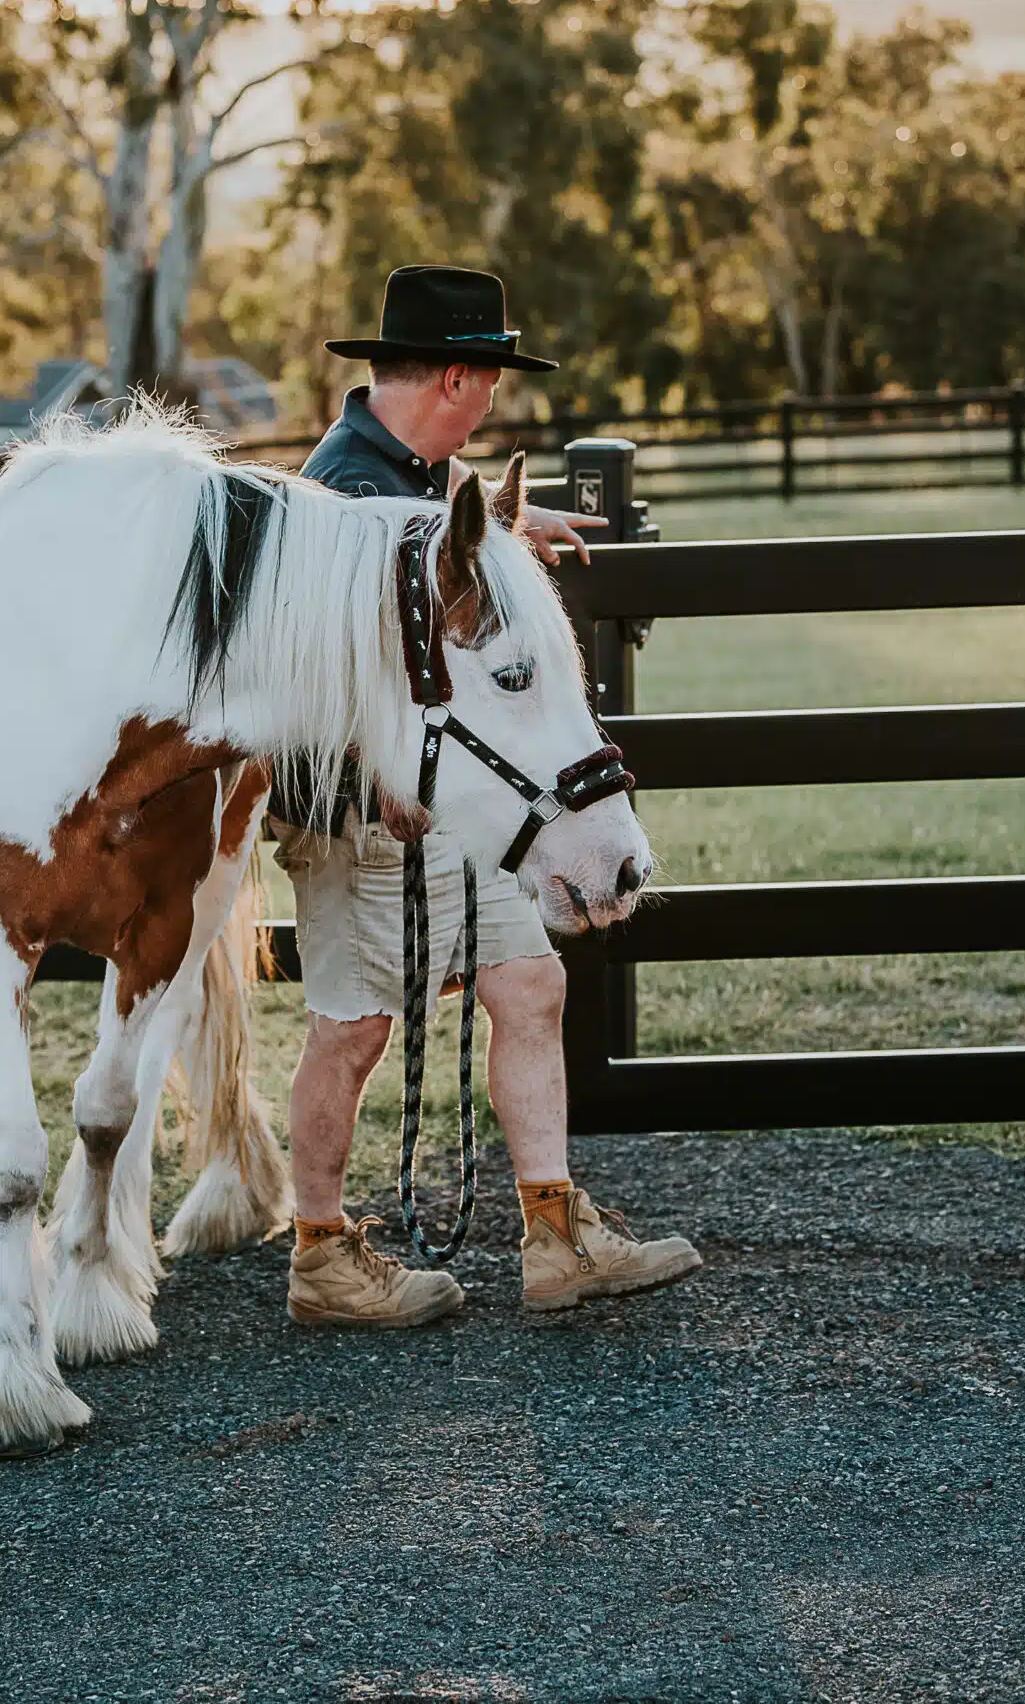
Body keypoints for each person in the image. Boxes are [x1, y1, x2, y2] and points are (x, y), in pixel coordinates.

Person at [275, 265, 702, 1326]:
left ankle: (554, 1235)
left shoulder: (419, 473)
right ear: (461, 376)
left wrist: (516, 532)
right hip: (372, 821)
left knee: (529, 986)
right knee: (353, 1029)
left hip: (464, 812)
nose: (493, 401)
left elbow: (451, 558)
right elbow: (303, 680)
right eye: (492, 378)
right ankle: (320, 1254)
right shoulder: (337, 504)